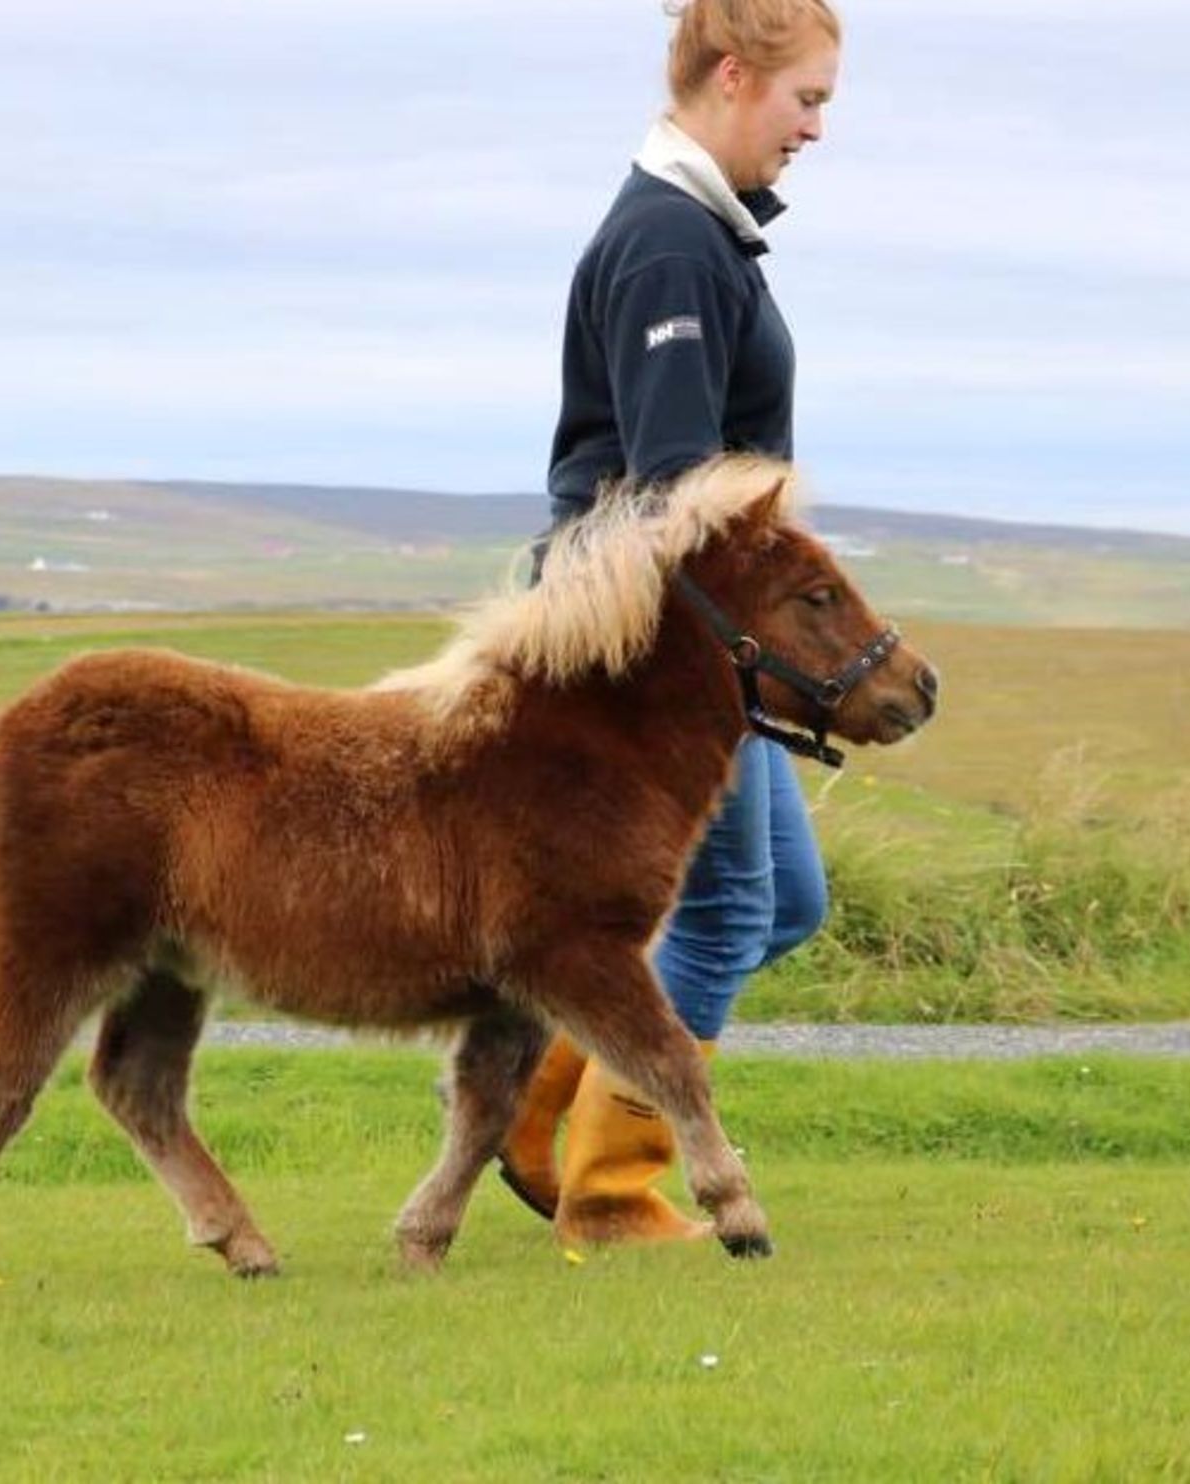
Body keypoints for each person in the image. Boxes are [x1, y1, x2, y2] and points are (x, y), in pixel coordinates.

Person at [501, 0, 843, 1246]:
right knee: (724, 912)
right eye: (807, 101)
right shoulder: (670, 249)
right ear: (736, 75)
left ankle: (534, 1118)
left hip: (701, 635)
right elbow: (676, 488)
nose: (814, 130)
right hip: (674, 645)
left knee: (787, 899)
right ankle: (605, 1189)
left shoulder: (703, 235)